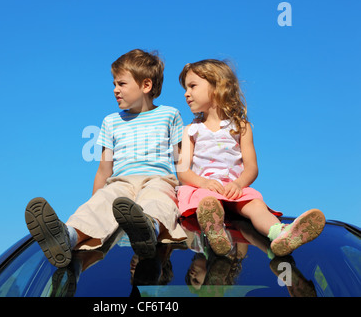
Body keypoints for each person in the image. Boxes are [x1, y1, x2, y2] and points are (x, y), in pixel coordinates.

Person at [25, 49, 187, 268]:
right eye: (114, 84)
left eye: (121, 84)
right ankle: (67, 236)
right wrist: (94, 201)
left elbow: (182, 163)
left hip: (157, 178)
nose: (115, 90)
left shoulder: (170, 115)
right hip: (120, 182)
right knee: (102, 204)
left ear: (146, 85)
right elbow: (104, 169)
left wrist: (188, 200)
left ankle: (148, 230)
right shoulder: (111, 121)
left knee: (157, 201)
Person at [176, 59, 325, 257]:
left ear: (217, 86)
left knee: (256, 206)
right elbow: (183, 172)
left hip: (235, 190)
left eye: (192, 86)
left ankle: (281, 234)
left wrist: (238, 184)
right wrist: (204, 183)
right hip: (205, 190)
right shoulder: (191, 131)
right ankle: (217, 234)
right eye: (186, 88)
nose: (186, 93)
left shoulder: (241, 127)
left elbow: (251, 168)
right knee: (210, 204)